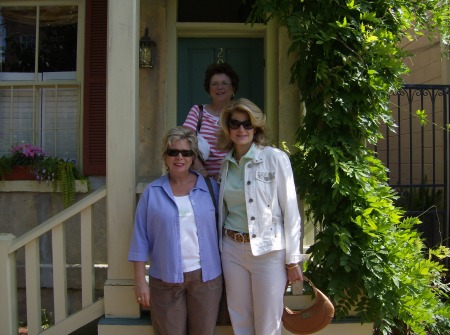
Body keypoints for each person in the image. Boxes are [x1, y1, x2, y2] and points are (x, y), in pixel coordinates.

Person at [216, 98, 305, 335]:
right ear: (228, 128)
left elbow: (291, 211)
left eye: (247, 124)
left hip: (268, 250)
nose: (241, 130)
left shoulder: (275, 158)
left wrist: (293, 259)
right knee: (240, 318)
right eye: (235, 124)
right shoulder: (225, 165)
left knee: (268, 323)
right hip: (232, 249)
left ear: (256, 128)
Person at [128, 126, 223, 335]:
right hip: (165, 279)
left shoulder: (210, 189)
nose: (180, 157)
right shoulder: (152, 192)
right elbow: (139, 239)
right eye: (174, 152)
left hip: (206, 279)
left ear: (193, 157)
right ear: (165, 156)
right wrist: (140, 283)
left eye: (186, 153)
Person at [183, 62, 239, 180]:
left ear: (233, 88)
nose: (220, 87)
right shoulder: (197, 112)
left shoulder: (239, 114)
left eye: (224, 83)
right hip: (200, 181)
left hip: (233, 180)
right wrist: (203, 173)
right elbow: (185, 143)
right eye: (214, 84)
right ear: (209, 89)